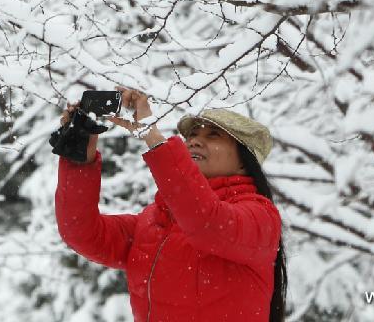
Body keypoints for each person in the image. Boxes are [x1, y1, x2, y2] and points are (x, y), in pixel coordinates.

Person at [54, 87, 287, 322]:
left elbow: (206, 222)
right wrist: (80, 162)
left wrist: (151, 135)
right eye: (192, 135)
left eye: (213, 135)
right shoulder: (152, 223)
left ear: (245, 160)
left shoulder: (261, 216)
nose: (195, 141)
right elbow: (82, 232)